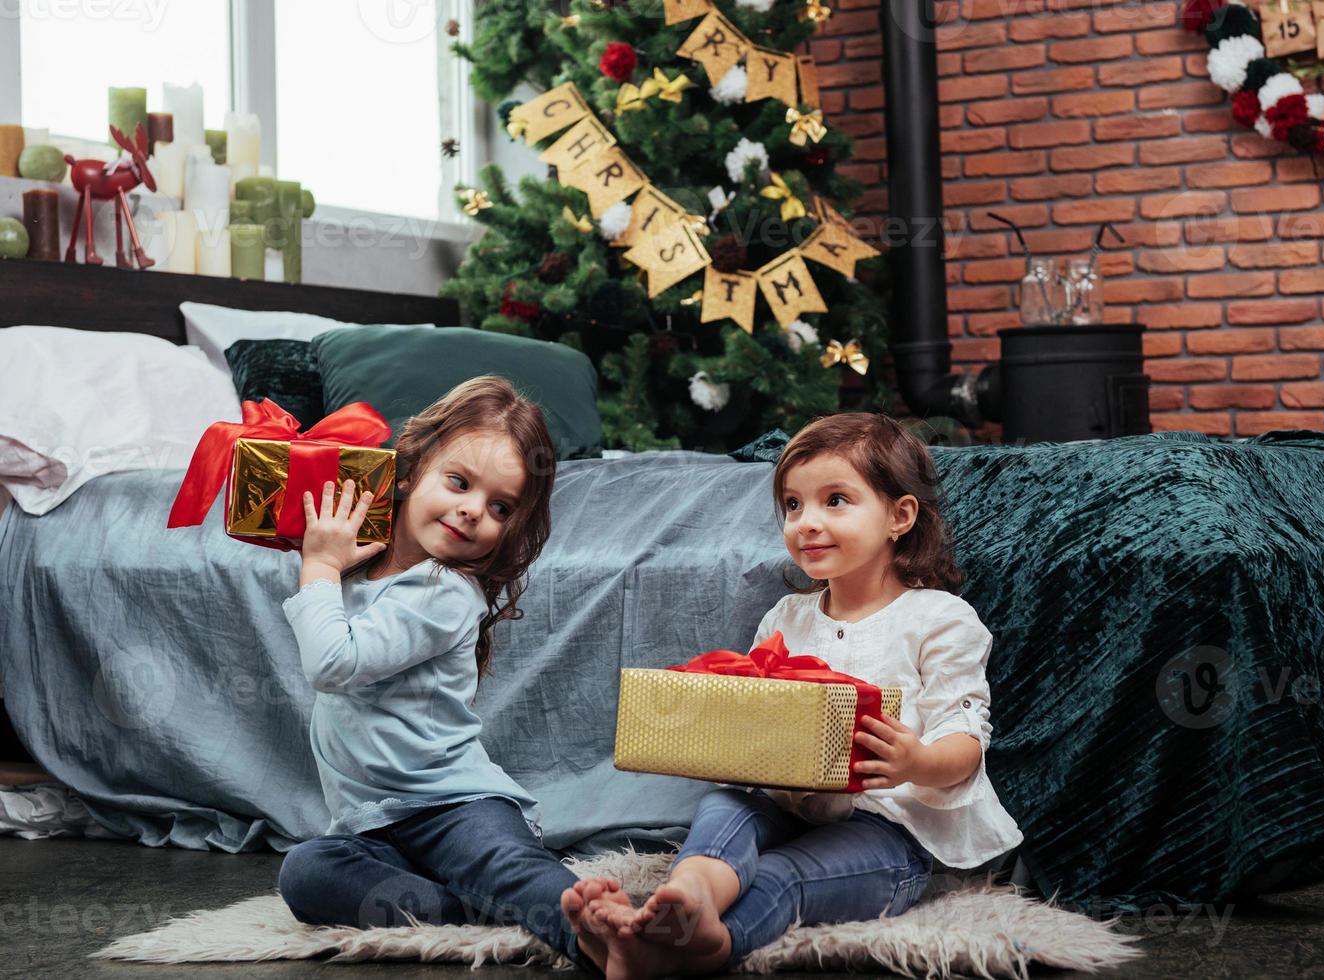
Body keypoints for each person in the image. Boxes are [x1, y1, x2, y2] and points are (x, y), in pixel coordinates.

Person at [562, 412, 1025, 979]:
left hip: (888, 832)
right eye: (793, 505)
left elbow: (966, 737)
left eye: (836, 501)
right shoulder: (787, 616)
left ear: (899, 516)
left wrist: (918, 761)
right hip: (789, 804)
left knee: (787, 873)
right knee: (724, 809)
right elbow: (761, 717)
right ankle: (690, 895)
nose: (807, 522)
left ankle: (710, 944)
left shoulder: (938, 619)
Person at [275, 375, 593, 968]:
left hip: (455, 808)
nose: (473, 510)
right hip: (371, 828)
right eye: (459, 482)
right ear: (412, 467)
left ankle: (601, 931)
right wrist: (321, 546)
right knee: (307, 872)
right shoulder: (356, 571)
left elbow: (332, 662)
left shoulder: (446, 590)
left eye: (500, 507)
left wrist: (317, 564)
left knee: (509, 868)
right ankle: (464, 908)